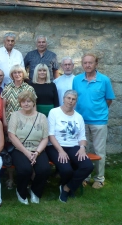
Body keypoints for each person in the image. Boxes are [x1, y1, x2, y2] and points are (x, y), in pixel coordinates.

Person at [72, 53, 115, 189]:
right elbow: (73, 98)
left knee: (98, 150)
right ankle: (85, 176)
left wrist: (98, 111)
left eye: (90, 63)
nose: (88, 65)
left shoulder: (104, 80)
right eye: (85, 63)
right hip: (80, 120)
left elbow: (109, 99)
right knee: (83, 149)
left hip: (99, 121)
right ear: (82, 64)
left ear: (96, 64)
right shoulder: (77, 80)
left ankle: (99, 178)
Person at [46, 90, 94, 203]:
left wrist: (82, 148)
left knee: (87, 166)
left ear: (76, 102)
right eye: (68, 98)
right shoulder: (54, 112)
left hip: (73, 146)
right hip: (55, 146)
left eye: (73, 99)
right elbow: (50, 135)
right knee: (67, 170)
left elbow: (82, 136)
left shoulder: (79, 117)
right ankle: (70, 187)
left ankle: (66, 188)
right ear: (63, 99)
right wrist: (60, 150)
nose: (70, 101)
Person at [8, 91, 51, 205]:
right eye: (23, 101)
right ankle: (21, 192)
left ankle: (35, 191)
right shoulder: (15, 115)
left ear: (34, 102)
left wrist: (36, 152)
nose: (26, 104)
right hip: (20, 149)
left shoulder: (42, 117)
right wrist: (27, 152)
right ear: (20, 103)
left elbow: (45, 138)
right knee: (25, 169)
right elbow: (12, 136)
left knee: (44, 169)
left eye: (29, 101)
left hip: (37, 149)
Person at [1, 65, 36, 189]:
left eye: (19, 72)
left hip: (26, 124)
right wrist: (4, 122)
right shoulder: (7, 88)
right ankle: (10, 179)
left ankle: (29, 176)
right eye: (15, 73)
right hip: (10, 124)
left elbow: (34, 107)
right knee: (10, 151)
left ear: (23, 74)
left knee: (26, 148)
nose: (17, 75)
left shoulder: (29, 88)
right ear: (12, 75)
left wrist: (32, 122)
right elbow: (3, 107)